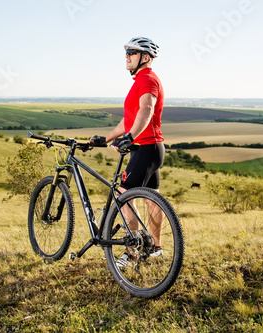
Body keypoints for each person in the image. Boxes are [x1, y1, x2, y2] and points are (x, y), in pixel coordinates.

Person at [90, 37, 165, 267]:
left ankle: (132, 252)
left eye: (132, 52)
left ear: (146, 57)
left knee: (124, 197)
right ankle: (155, 248)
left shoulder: (148, 79)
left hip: (145, 147)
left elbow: (147, 109)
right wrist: (108, 138)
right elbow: (128, 120)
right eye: (127, 52)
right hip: (146, 148)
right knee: (153, 199)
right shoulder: (139, 81)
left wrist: (131, 137)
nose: (127, 56)